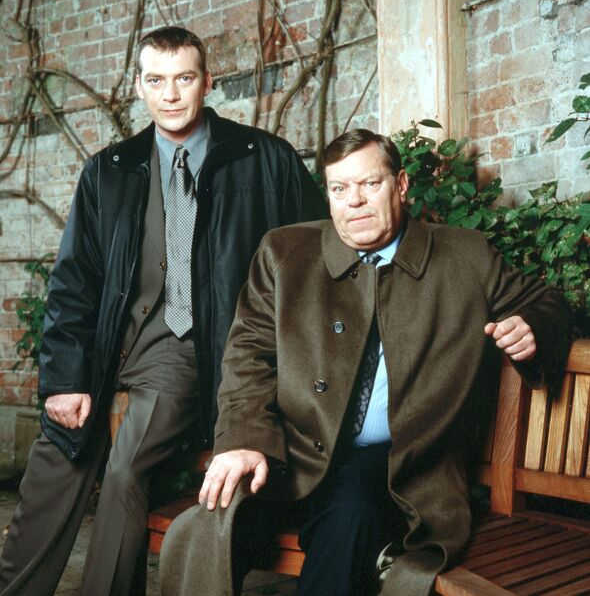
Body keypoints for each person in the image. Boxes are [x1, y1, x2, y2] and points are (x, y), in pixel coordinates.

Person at [159, 129, 572, 596]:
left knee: (350, 515)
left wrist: (532, 326)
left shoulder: (465, 256)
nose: (353, 201)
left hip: (398, 467)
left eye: (369, 184)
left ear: (401, 185)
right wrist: (243, 439)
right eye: (339, 189)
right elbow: (249, 358)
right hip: (289, 452)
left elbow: (547, 302)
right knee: (208, 523)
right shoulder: (283, 253)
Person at [0, 26, 327, 596]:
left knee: (125, 467)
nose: (170, 94)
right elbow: (75, 282)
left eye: (183, 79)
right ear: (139, 87)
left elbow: (319, 256)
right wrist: (67, 379)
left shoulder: (263, 158)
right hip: (112, 344)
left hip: (191, 347)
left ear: (207, 82)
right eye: (156, 80)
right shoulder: (109, 169)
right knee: (57, 459)